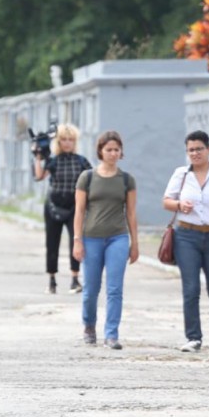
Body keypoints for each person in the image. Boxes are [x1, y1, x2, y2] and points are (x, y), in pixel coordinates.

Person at [73, 130, 138, 349]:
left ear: (121, 152)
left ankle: (112, 334)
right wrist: (77, 240)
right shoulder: (87, 177)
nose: (113, 153)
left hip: (117, 238)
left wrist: (135, 243)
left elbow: (131, 213)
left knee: (115, 288)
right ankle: (89, 325)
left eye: (116, 150)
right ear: (100, 151)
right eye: (109, 149)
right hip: (91, 238)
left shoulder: (127, 179)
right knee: (91, 290)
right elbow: (79, 211)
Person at [163, 130, 209, 352]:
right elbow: (166, 201)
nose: (195, 153)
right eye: (190, 150)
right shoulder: (181, 174)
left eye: (199, 149)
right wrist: (179, 205)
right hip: (186, 236)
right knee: (191, 288)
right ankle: (194, 337)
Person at [33, 123, 90, 294]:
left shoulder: (81, 161)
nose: (67, 143)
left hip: (74, 207)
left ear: (75, 142)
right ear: (58, 142)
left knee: (76, 240)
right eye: (64, 139)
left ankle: (75, 279)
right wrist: (38, 157)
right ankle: (52, 280)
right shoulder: (53, 161)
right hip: (53, 206)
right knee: (52, 243)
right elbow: (39, 176)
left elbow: (92, 179)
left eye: (70, 140)